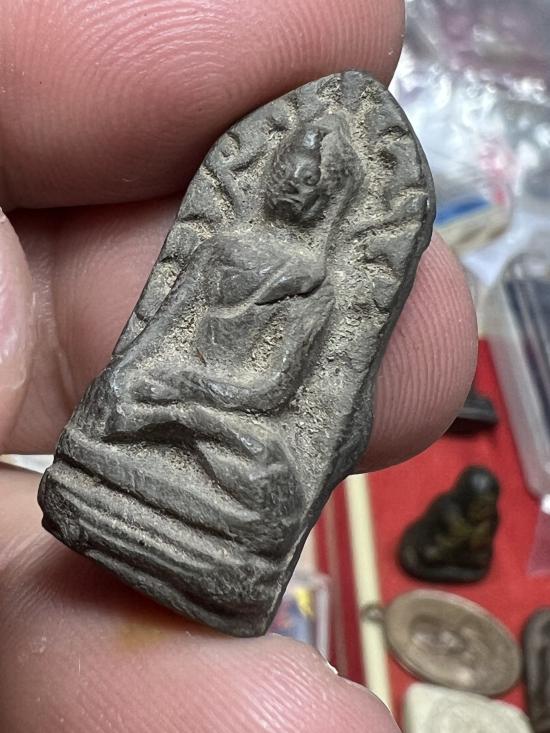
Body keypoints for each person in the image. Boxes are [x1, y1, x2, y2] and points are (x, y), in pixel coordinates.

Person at [0, 0, 477, 730]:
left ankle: (175, 520)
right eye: (290, 167)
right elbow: (160, 338)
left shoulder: (314, 281)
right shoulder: (224, 248)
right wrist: (156, 387)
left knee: (271, 481)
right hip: (174, 393)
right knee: (116, 394)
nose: (296, 181)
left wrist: (189, 399)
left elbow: (276, 386)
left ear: (331, 196)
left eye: (314, 176)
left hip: (235, 416)